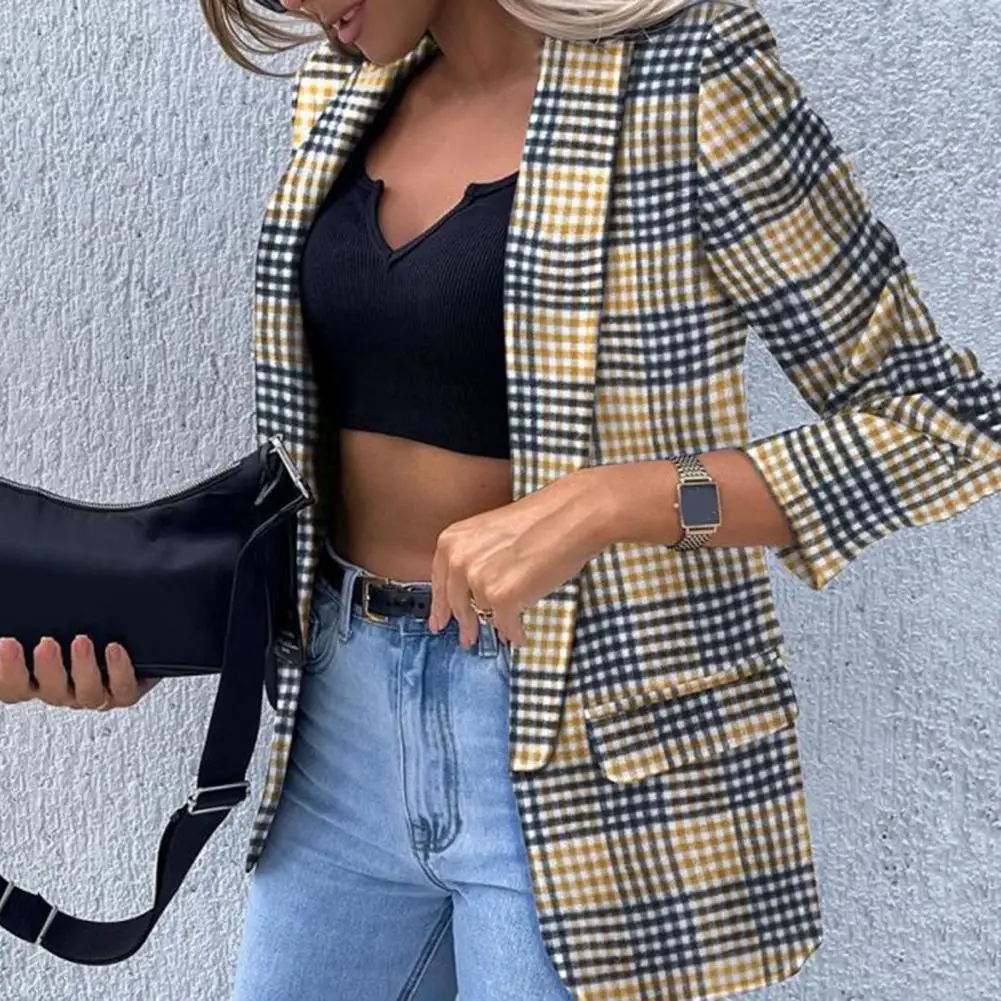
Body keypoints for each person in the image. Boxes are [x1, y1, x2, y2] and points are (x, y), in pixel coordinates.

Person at [3, 0, 1001, 998]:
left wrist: (614, 501)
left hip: (583, 753)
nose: (295, 5)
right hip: (339, 732)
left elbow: (942, 423)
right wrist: (162, 628)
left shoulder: (689, 77)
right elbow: (325, 450)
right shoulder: (343, 89)